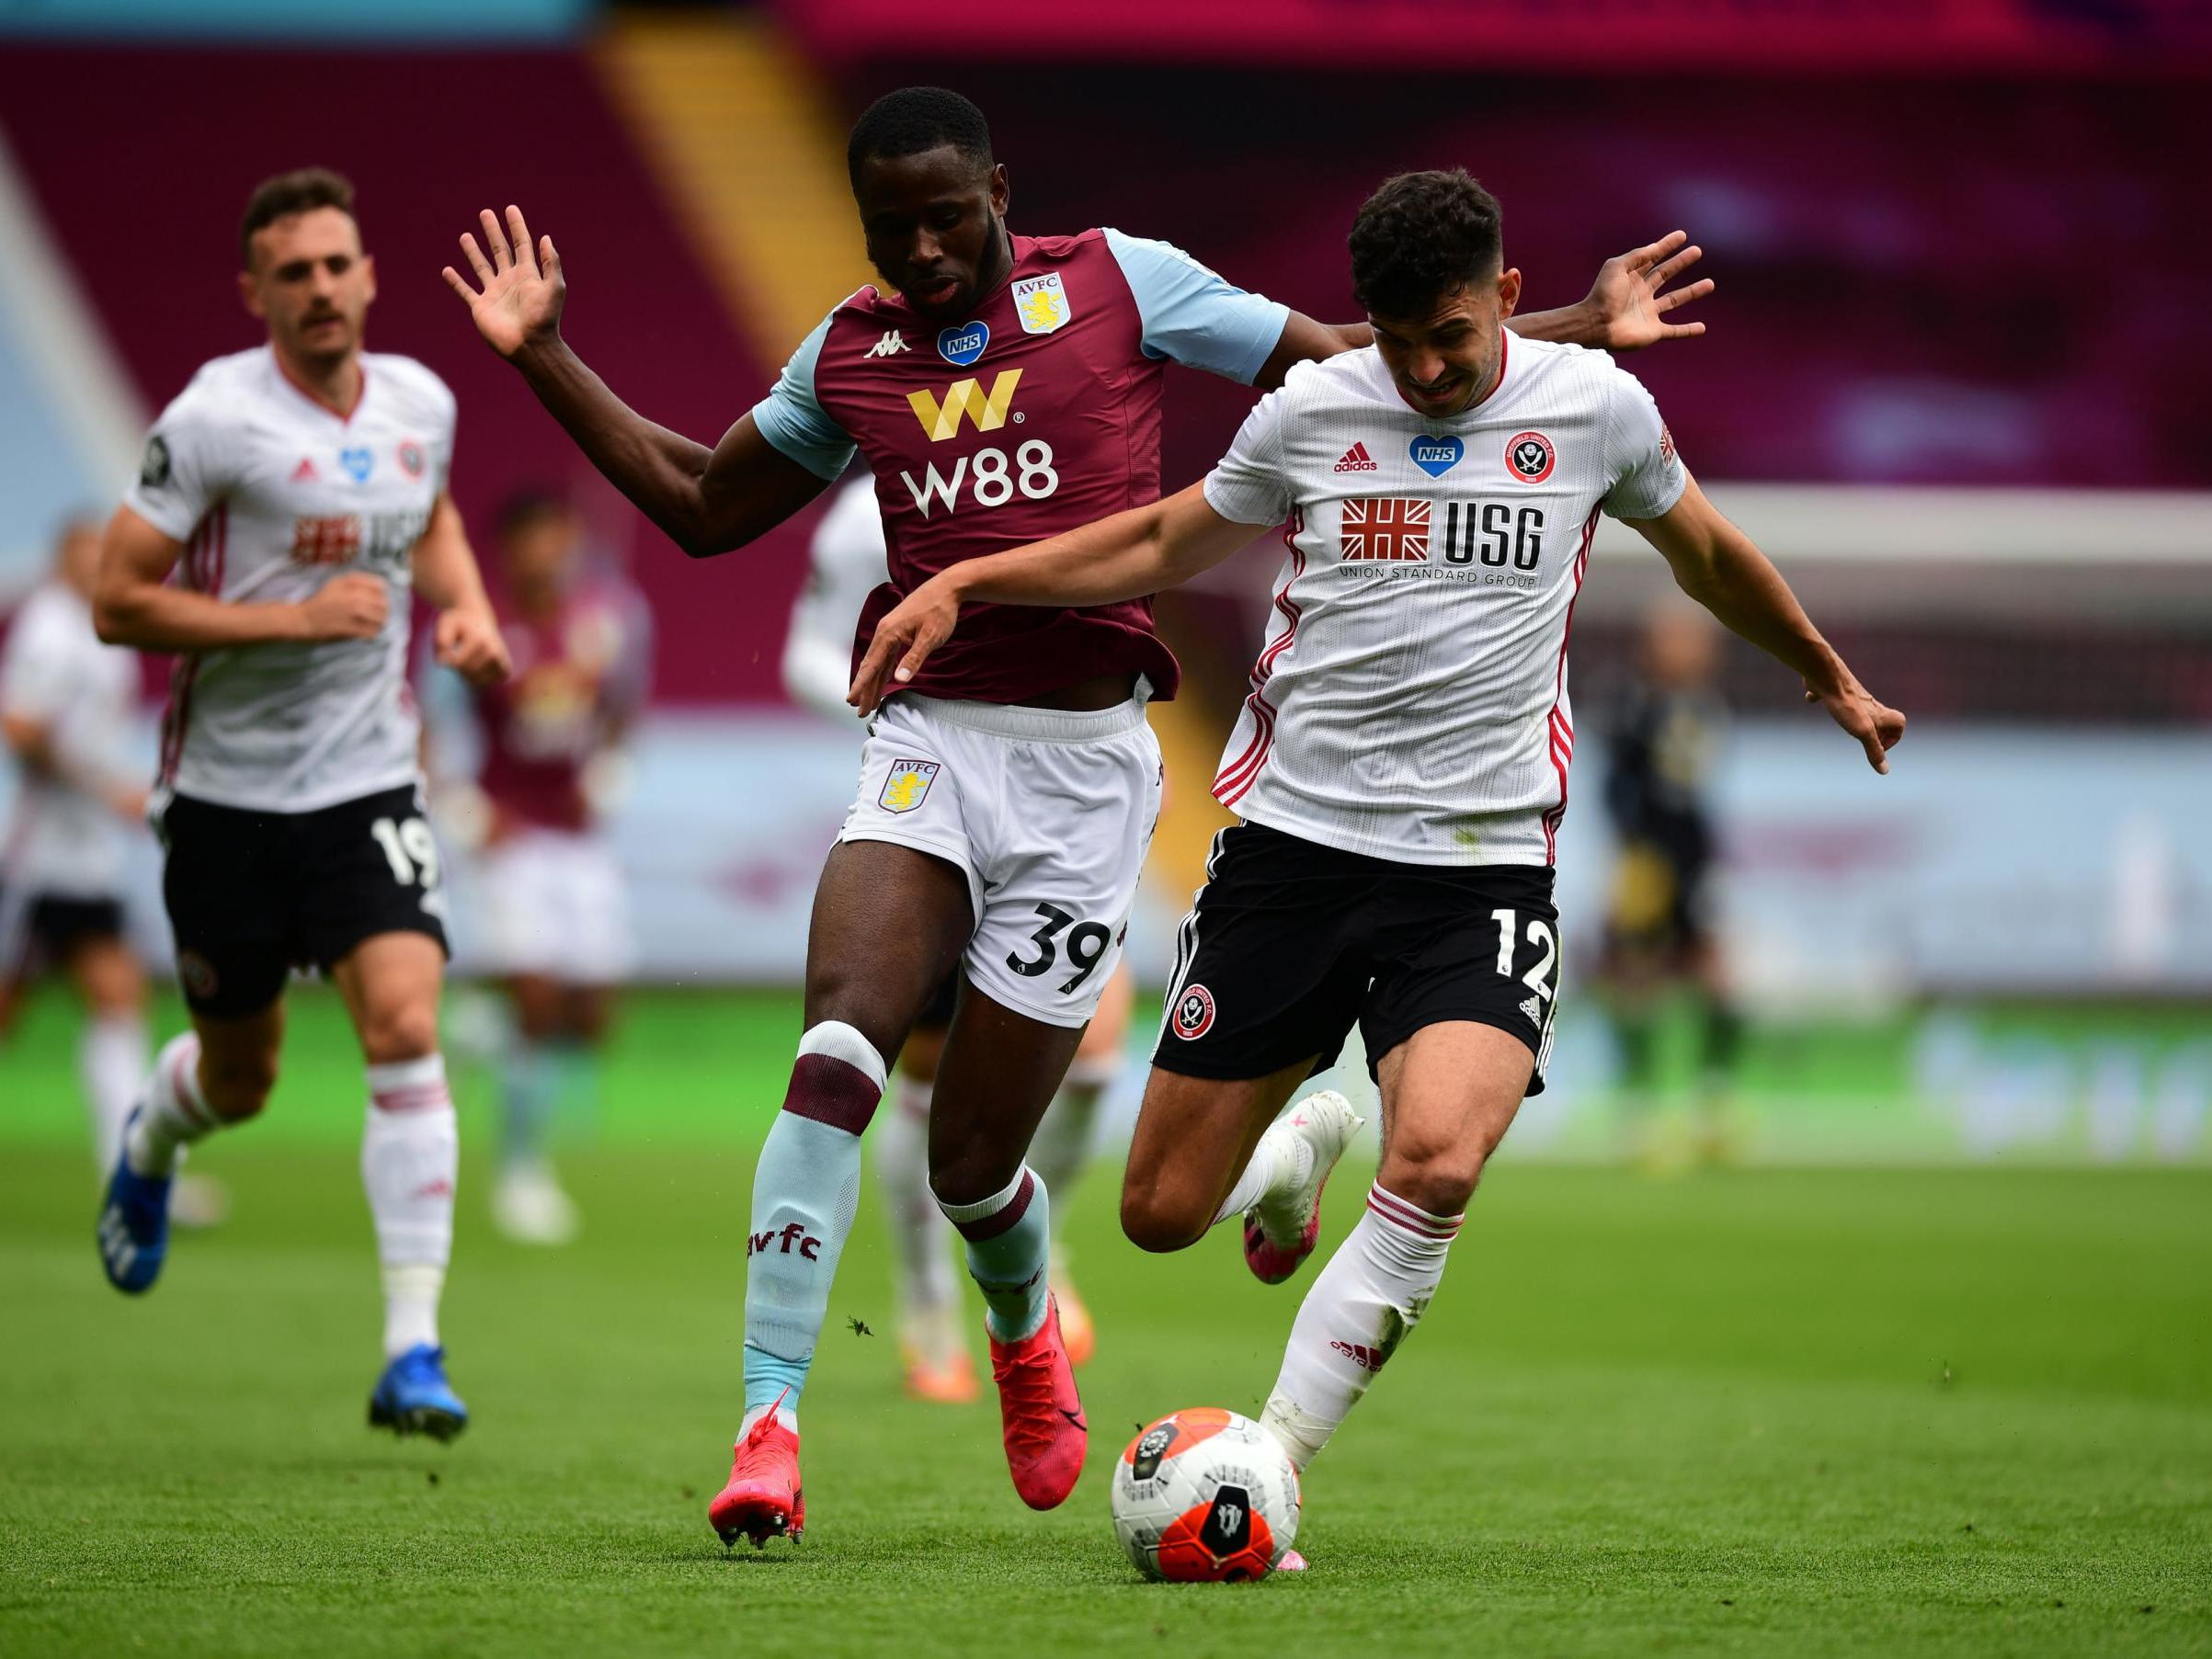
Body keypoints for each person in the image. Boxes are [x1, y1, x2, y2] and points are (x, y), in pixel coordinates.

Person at [443, 86, 1709, 1541]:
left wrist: (1567, 327)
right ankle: (766, 1427)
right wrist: (543, 355)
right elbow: (699, 501)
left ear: (997, 188)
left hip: (1088, 770)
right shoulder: (848, 355)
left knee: (975, 1161)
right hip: (924, 746)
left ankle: (1023, 1333)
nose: (917, 250)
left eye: (942, 215)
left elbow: (1344, 362)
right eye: (886, 226)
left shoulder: (1120, 278)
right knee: (835, 1054)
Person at [851, 167, 1904, 1550]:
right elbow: (1170, 534)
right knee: (1160, 1214)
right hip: (1290, 850)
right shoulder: (1308, 410)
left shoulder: (1595, 411)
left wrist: (1826, 673)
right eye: (1395, 340)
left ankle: (1271, 1463)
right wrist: (968, 577)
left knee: (1440, 1163)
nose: (1420, 368)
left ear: (1508, 301)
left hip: (1476, 873)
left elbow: (1705, 556)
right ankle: (1294, 1148)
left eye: (1449, 339)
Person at [91, 168, 510, 1443]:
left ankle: (412, 1347)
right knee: (243, 1074)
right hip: (222, 798)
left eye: (338, 264)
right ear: (256, 293)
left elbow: (426, 515)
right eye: (295, 273)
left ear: (369, 274)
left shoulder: (418, 402)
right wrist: (291, 619)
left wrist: (468, 605)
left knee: (401, 1020)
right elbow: (118, 599)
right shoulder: (215, 420)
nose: (321, 288)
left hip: (367, 779)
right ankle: (154, 1143)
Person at [786, 477, 1125, 1402]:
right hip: (938, 814)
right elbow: (805, 655)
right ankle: (928, 1301)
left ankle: (1038, 1248)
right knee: (925, 1084)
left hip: (1068, 804)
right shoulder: (871, 509)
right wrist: (894, 685)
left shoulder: (1060, 470)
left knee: (1093, 1059)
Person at [430, 492, 649, 1244]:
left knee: (589, 1018)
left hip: (581, 843)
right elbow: (431, 727)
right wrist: (462, 808)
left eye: (559, 538)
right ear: (509, 551)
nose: (548, 554)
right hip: (514, 838)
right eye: (533, 542)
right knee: (537, 1000)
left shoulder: (600, 623)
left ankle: (481, 1030)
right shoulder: (481, 629)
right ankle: (521, 1171)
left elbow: (623, 705)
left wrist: (612, 764)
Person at [0, 520, 173, 1199]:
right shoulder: (51, 629)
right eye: (84, 552)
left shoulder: (100, 628)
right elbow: (22, 727)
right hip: (39, 858)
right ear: (59, 559)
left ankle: (129, 1174)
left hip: (83, 859)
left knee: (118, 996)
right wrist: (105, 791)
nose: (97, 563)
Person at [1596, 604, 1742, 1166]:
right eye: (1679, 640)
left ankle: (1713, 1104)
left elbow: (1696, 792)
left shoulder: (1707, 706)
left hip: (1694, 860)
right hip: (1644, 862)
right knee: (1636, 981)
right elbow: (1615, 785)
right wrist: (1634, 849)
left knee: (1719, 981)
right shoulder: (1630, 703)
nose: (1692, 652)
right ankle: (1638, 1111)